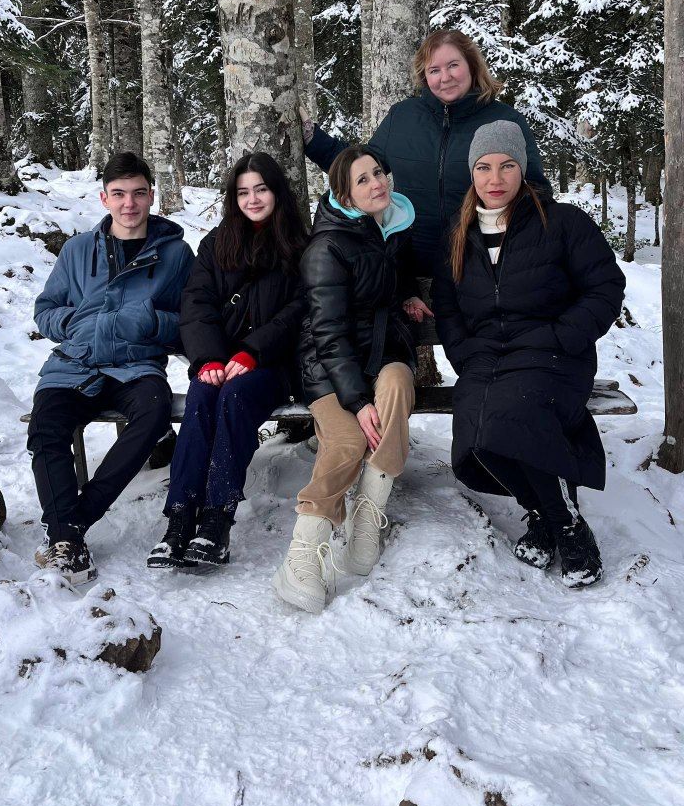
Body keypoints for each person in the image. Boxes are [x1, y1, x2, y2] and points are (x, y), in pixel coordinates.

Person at [432, 122, 626, 588]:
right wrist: (463, 353)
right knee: (474, 438)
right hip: (486, 359)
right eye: (484, 167)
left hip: (553, 354)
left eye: (506, 166)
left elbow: (605, 286)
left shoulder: (562, 222)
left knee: (516, 411)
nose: (495, 178)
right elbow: (447, 304)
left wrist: (563, 336)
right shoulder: (458, 233)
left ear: (522, 169)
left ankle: (567, 526)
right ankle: (540, 510)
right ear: (472, 173)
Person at [28, 151, 194, 585]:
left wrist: (153, 322)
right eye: (119, 194)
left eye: (138, 193)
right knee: (46, 427)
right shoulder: (77, 250)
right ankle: (66, 535)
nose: (129, 204)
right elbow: (45, 310)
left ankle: (73, 523)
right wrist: (75, 323)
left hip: (136, 366)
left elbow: (191, 321)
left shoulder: (176, 254)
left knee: (154, 413)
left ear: (151, 196)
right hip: (74, 364)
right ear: (104, 198)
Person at [273, 146, 424, 613]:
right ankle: (303, 551)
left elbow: (398, 277)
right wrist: (358, 402)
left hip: (383, 357)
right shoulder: (327, 247)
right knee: (348, 441)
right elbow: (328, 333)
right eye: (362, 180)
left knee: (397, 383)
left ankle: (367, 515)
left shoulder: (393, 228)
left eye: (379, 172)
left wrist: (410, 295)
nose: (377, 183)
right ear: (343, 195)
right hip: (328, 367)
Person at [147, 152, 308, 571]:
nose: (252, 199)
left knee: (235, 396)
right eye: (243, 192)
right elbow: (196, 304)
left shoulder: (299, 245)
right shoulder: (217, 244)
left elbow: (299, 311)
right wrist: (209, 358)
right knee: (202, 396)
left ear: (276, 192)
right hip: (220, 359)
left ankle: (217, 521)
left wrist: (252, 350)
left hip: (273, 364)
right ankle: (179, 519)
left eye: (261, 189)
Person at [301, 29, 549, 274]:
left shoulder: (505, 121)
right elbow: (358, 167)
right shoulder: (402, 116)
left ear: (472, 65)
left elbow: (537, 190)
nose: (445, 77)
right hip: (409, 265)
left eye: (453, 65)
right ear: (424, 76)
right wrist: (312, 138)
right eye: (434, 70)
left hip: (480, 265)